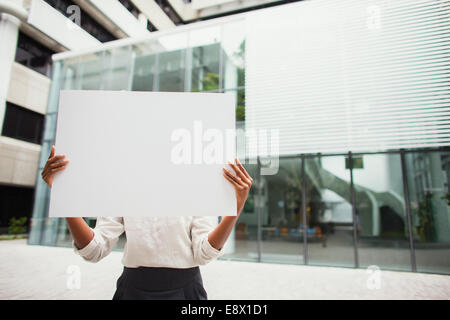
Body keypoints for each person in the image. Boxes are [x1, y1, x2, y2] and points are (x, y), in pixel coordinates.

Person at [41, 145, 253, 300]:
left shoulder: (195, 185)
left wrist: (234, 210)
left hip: (185, 291)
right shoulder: (123, 186)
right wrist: (64, 199)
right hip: (133, 290)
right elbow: (94, 250)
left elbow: (204, 253)